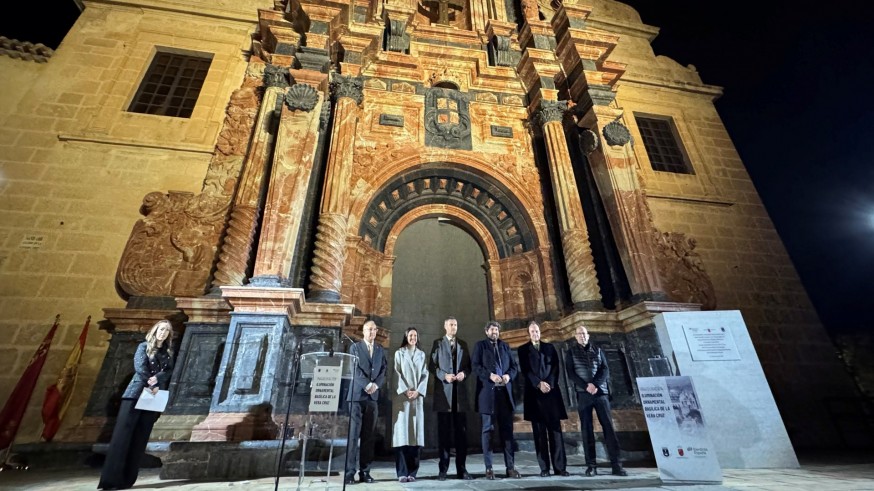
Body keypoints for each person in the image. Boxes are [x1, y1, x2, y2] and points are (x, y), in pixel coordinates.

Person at [98, 320, 174, 490]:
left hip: (153, 396)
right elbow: (140, 366)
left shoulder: (167, 352)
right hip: (136, 394)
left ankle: (128, 478)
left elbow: (169, 369)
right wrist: (151, 379)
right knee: (123, 436)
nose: (163, 333)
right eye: (161, 329)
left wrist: (159, 378)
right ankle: (112, 479)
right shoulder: (143, 346)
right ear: (155, 330)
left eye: (167, 331)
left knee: (141, 436)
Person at [565, 325, 627, 477]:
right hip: (584, 394)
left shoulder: (598, 350)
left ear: (588, 335)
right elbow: (571, 373)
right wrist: (586, 386)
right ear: (575, 336)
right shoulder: (571, 352)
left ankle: (616, 465)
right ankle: (591, 466)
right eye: (579, 334)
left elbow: (605, 369)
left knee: (608, 428)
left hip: (600, 393)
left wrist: (595, 384)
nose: (582, 336)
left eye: (584, 333)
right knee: (587, 430)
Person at [517, 320, 569, 477]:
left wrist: (549, 383)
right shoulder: (523, 350)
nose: (535, 333)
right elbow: (525, 370)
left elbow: (555, 367)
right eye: (532, 331)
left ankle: (560, 467)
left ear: (540, 332)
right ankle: (544, 468)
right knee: (539, 435)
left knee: (556, 433)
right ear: (529, 333)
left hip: (551, 394)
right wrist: (539, 384)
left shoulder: (549, 347)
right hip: (535, 395)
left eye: (537, 331)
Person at [471, 321, 521, 480]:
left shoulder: (505, 346)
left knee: (507, 432)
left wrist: (508, 376)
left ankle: (510, 467)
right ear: (486, 331)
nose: (495, 332)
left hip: (504, 395)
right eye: (492, 330)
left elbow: (514, 367)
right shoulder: (480, 346)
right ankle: (489, 468)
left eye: (497, 330)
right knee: (488, 431)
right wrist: (490, 375)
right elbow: (475, 366)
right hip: (488, 394)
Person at [428, 316, 473, 481]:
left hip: (460, 397)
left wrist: (463, 374)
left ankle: (462, 469)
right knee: (444, 435)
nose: (454, 327)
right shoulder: (437, 343)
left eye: (455, 324)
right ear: (445, 326)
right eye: (451, 324)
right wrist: (444, 375)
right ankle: (443, 470)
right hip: (443, 397)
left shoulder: (463, 344)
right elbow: (432, 366)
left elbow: (469, 366)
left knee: (462, 435)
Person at [345, 320, 387, 485]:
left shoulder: (379, 349)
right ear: (363, 331)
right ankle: (349, 473)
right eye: (369, 329)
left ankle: (365, 472)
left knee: (369, 437)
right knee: (353, 435)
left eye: (374, 329)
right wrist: (367, 384)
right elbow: (354, 369)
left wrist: (376, 385)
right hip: (357, 397)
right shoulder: (355, 347)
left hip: (372, 398)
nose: (372, 332)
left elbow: (383, 369)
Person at [391, 327, 429, 483]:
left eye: (415, 335)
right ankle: (401, 472)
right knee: (401, 437)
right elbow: (396, 373)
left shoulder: (421, 354)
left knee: (415, 437)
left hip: (416, 400)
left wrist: (418, 391)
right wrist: (405, 391)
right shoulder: (399, 353)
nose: (413, 337)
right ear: (406, 337)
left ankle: (413, 472)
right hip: (402, 399)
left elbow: (425, 374)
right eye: (410, 335)